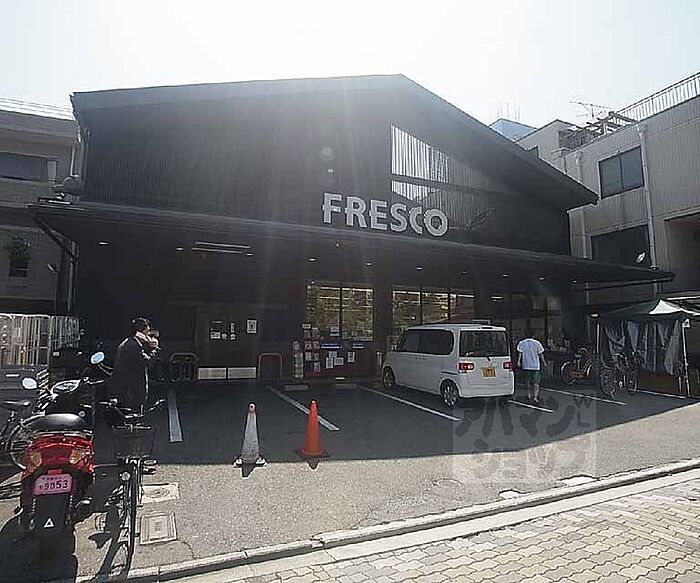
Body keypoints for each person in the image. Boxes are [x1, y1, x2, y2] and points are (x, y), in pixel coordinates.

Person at [110, 317, 159, 411]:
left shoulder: (130, 343)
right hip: (131, 392)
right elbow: (147, 362)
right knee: (133, 413)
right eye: (147, 332)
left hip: (127, 390)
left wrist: (149, 346)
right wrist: (155, 349)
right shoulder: (132, 346)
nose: (148, 335)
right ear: (140, 333)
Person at [517, 328, 546, 404]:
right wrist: (544, 362)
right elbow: (541, 354)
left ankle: (528, 394)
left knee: (527, 381)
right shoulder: (537, 343)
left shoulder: (521, 343)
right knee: (536, 382)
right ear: (533, 335)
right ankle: (535, 396)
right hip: (535, 366)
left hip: (526, 365)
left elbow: (520, 353)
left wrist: (518, 361)